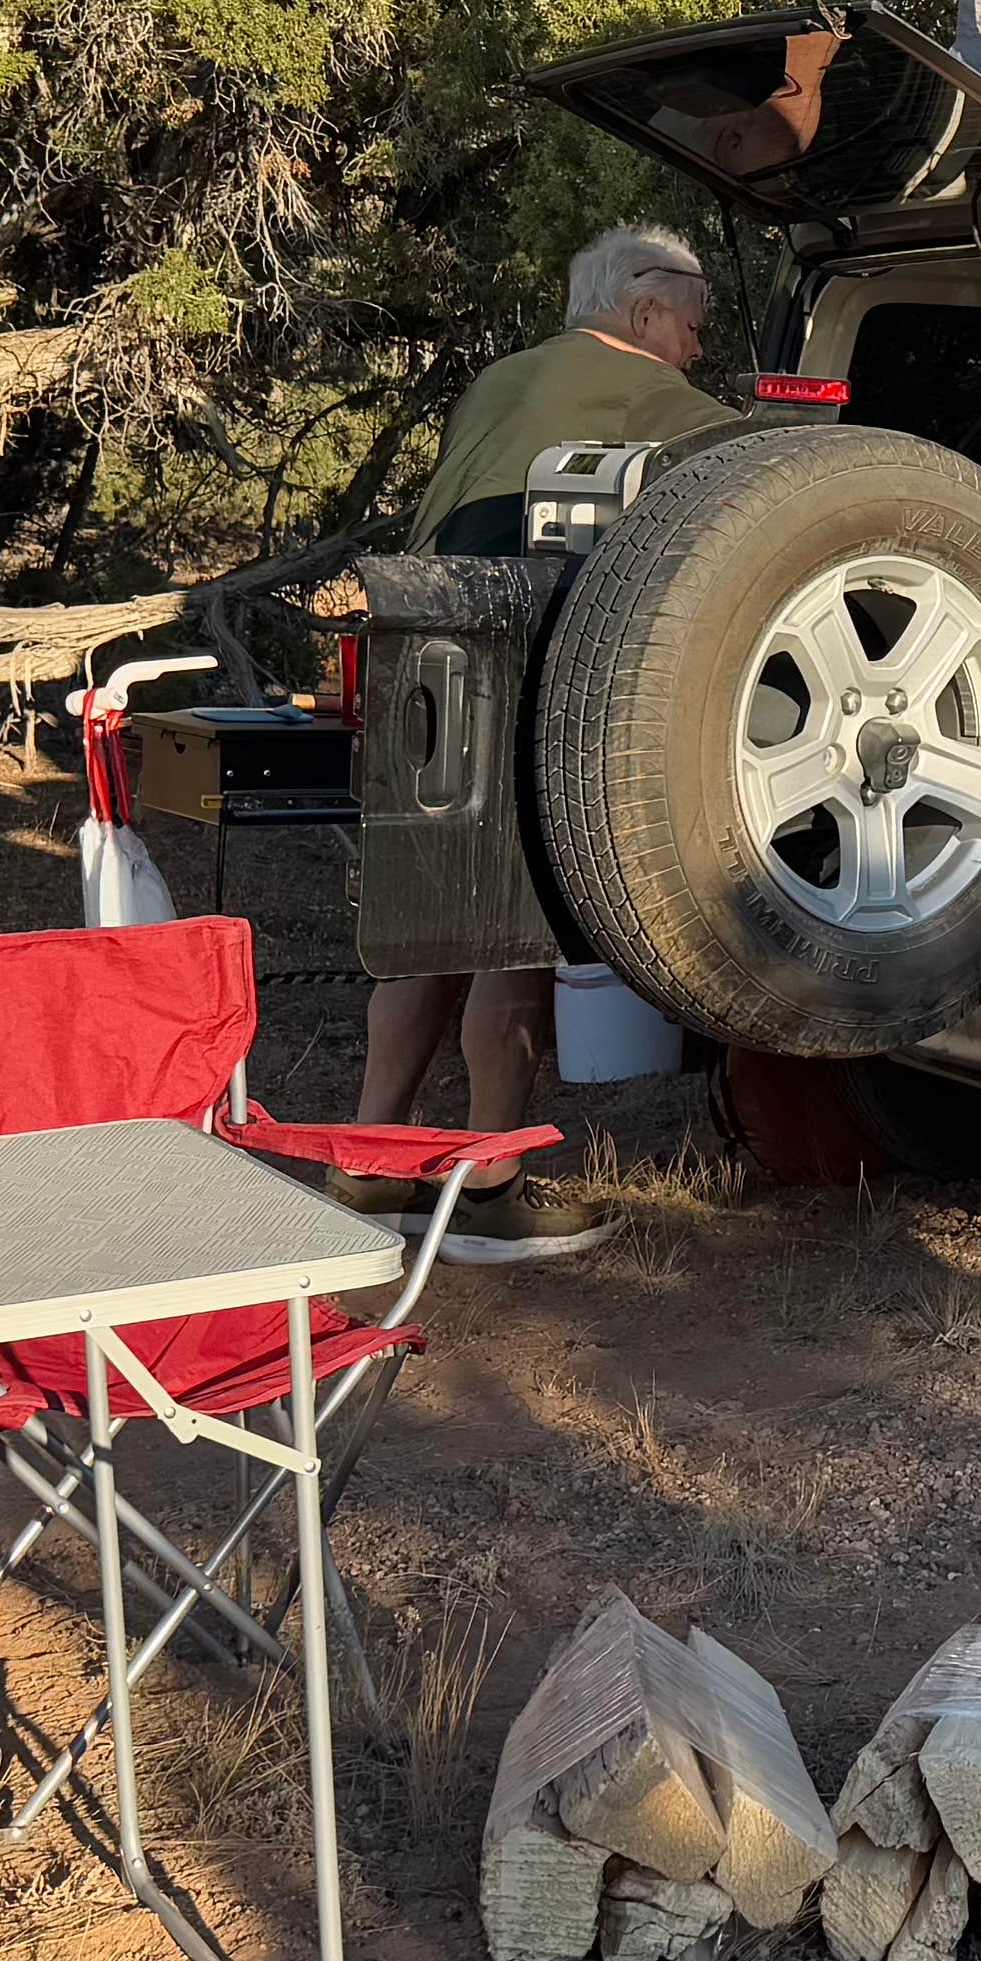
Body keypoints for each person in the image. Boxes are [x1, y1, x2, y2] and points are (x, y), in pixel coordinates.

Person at [342, 223, 728, 1245]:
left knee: (428, 929)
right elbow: (770, 478)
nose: (698, 349)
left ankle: (373, 1165)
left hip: (414, 644)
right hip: (515, 653)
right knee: (512, 938)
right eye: (694, 326)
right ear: (645, 313)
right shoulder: (647, 389)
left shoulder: (505, 377)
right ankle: (492, 1189)